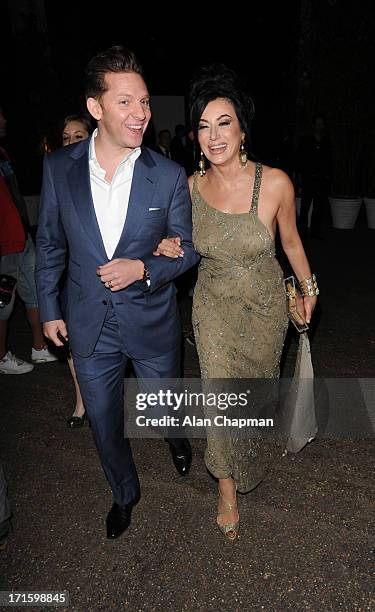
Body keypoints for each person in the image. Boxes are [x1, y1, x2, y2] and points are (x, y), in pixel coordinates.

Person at [36, 46, 199, 540]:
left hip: (151, 321)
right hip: (88, 323)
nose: (141, 113)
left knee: (163, 402)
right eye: (126, 102)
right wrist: (48, 307)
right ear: (96, 108)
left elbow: (187, 250)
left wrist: (143, 269)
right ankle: (124, 494)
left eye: (145, 102)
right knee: (105, 423)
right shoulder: (59, 169)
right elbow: (49, 242)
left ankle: (175, 435)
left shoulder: (166, 175)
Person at [155, 64, 318, 540]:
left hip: (266, 307)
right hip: (213, 304)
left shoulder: (276, 184)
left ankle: (246, 453)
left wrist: (308, 291)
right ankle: (224, 486)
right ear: (195, 136)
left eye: (223, 122)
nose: (213, 135)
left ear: (242, 128)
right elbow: (176, 243)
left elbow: (291, 245)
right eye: (203, 126)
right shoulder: (187, 189)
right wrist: (167, 246)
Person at [0, 105, 58, 374]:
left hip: (21, 237)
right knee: (3, 301)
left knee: (33, 288)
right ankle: (1, 357)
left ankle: (39, 347)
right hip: (4, 243)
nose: (4, 119)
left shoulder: (2, 152)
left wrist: (24, 227)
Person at [61, 113, 92, 428]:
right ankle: (81, 403)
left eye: (78, 136)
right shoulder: (58, 175)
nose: (70, 143)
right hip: (73, 274)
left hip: (112, 273)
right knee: (73, 344)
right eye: (66, 138)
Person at [296, 114, 332, 239]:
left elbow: (329, 160)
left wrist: (328, 176)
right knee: (305, 206)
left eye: (321, 124)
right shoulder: (306, 140)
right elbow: (299, 159)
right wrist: (299, 177)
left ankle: (315, 232)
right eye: (317, 123)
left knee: (319, 207)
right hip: (308, 178)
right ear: (313, 125)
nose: (319, 126)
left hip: (322, 179)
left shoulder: (326, 141)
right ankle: (302, 232)